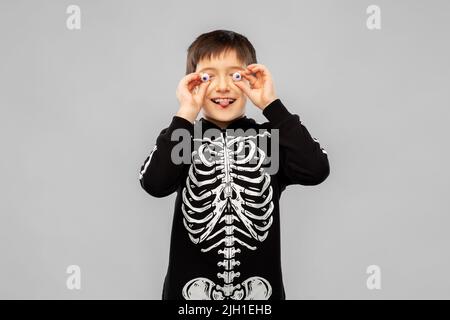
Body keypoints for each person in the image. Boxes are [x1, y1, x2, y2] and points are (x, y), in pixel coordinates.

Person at [139, 29, 330, 300]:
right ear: (192, 82)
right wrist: (185, 113)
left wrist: (271, 104)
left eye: (236, 75)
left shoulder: (271, 139)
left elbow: (317, 169)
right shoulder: (182, 139)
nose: (223, 87)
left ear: (251, 78)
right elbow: (154, 184)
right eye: (207, 77)